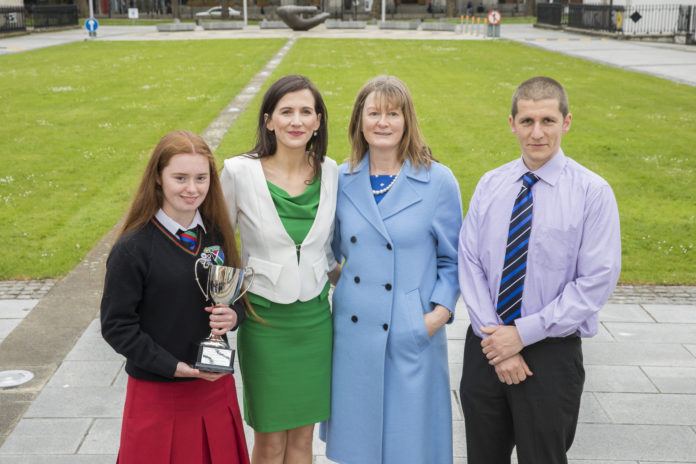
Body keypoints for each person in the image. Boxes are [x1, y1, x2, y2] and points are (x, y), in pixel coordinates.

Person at [458, 76, 621, 464]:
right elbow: (469, 261)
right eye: (527, 121)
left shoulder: (592, 192)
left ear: (566, 122)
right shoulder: (491, 184)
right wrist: (499, 340)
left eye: (548, 121)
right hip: (486, 346)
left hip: (550, 353)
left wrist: (522, 335)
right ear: (511, 123)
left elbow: (595, 280)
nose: (537, 133)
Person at [320, 75, 463, 463]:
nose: (383, 122)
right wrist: (347, 286)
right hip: (354, 331)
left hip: (413, 330)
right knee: (358, 446)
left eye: (393, 113)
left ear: (407, 121)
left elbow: (453, 260)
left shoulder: (437, 180)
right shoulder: (339, 178)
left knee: (410, 445)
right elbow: (327, 250)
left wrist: (436, 315)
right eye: (374, 113)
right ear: (359, 121)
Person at [100, 130, 250, 464]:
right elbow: (117, 327)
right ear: (158, 177)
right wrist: (175, 367)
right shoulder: (133, 248)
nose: (192, 188)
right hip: (159, 392)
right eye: (180, 178)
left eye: (201, 178)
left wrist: (234, 315)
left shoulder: (215, 233)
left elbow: (235, 294)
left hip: (213, 387)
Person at [220, 75, 339, 464]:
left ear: (318, 121)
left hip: (315, 321)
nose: (297, 120)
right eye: (286, 111)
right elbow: (218, 247)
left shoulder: (333, 171)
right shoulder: (238, 172)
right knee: (270, 442)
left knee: (304, 442)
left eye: (306, 111)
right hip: (264, 321)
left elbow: (336, 246)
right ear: (268, 120)